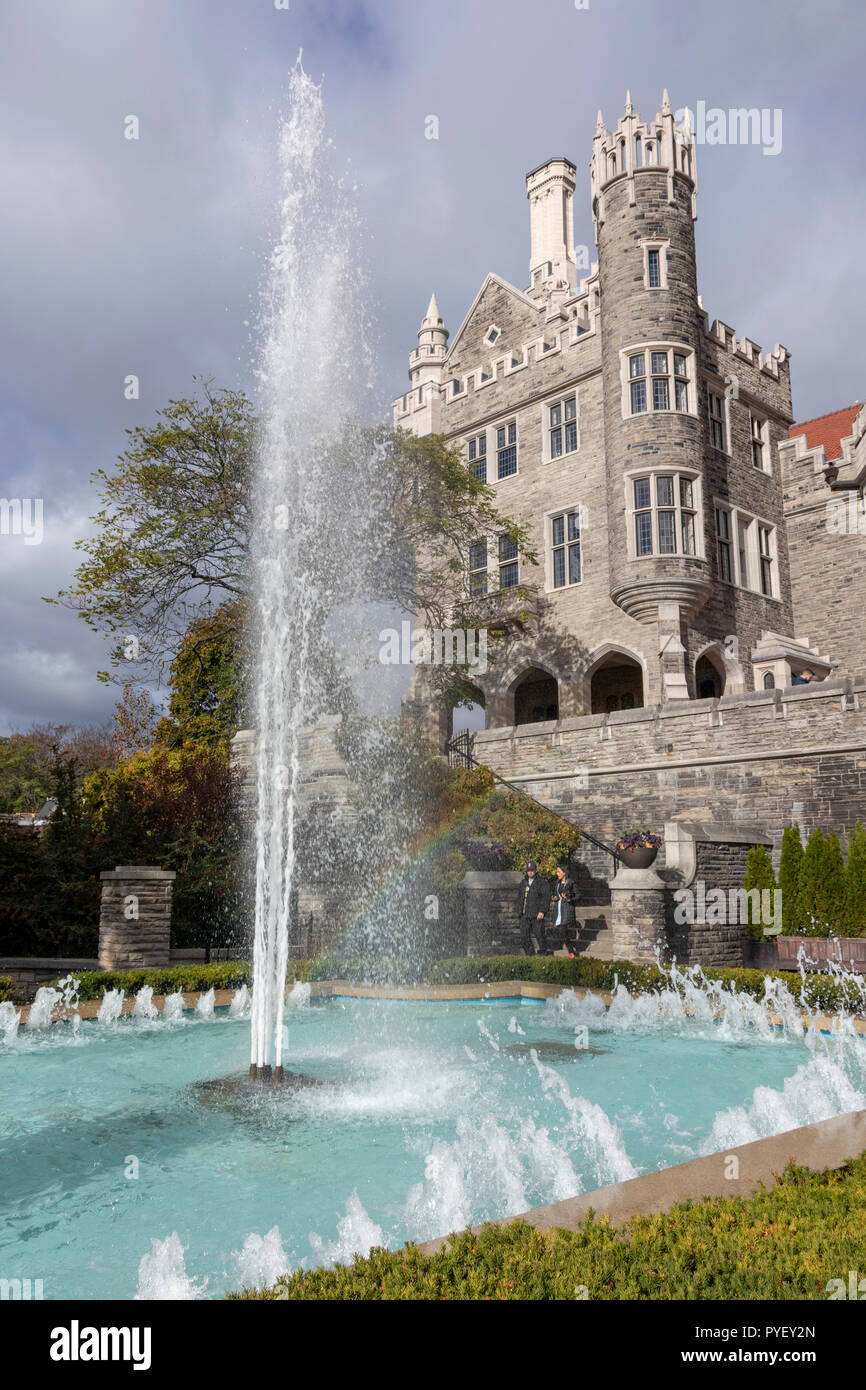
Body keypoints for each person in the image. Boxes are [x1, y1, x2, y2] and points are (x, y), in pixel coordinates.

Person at [516, 860, 549, 955]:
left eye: (532, 870)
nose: (530, 872)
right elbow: (519, 898)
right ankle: (530, 955)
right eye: (528, 870)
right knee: (524, 937)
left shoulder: (542, 882)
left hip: (536, 915)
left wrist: (542, 911)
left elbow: (545, 898)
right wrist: (519, 911)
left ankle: (543, 954)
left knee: (540, 935)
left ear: (535, 870)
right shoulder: (523, 883)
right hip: (524, 915)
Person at [551, 863, 579, 953]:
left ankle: (571, 952)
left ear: (564, 873)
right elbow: (557, 895)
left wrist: (569, 898)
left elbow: (578, 896)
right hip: (559, 911)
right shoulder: (557, 883)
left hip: (567, 911)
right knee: (561, 933)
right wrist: (555, 897)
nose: (557, 873)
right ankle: (572, 951)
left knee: (562, 932)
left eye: (559, 872)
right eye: (557, 872)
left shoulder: (571, 883)